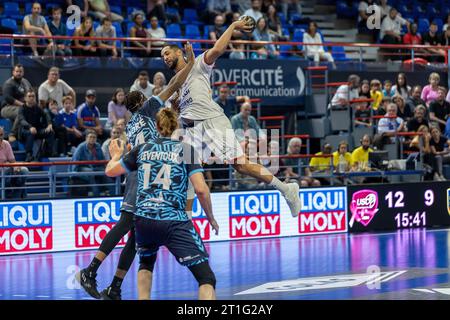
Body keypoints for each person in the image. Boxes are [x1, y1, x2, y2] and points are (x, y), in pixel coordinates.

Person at [76, 43, 196, 300]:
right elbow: (174, 84)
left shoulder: (134, 124)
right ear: (143, 101)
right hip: (141, 171)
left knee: (136, 237)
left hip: (144, 169)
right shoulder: (148, 108)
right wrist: (191, 64)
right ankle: (90, 271)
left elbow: (171, 115)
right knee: (125, 224)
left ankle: (115, 288)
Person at [161, 19, 302, 218]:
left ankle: (287, 190)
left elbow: (218, 48)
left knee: (241, 165)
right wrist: (176, 108)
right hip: (192, 130)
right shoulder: (176, 83)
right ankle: (186, 221)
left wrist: (234, 25)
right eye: (161, 56)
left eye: (167, 53)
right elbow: (175, 112)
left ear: (179, 52)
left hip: (212, 122)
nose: (164, 57)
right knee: (188, 172)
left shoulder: (199, 64)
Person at [105, 107, 219, 300]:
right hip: (172, 219)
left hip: (143, 219)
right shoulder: (186, 150)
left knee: (146, 262)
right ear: (177, 126)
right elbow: (201, 189)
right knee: (206, 278)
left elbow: (111, 172)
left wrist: (115, 155)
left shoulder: (142, 149)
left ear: (156, 127)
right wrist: (211, 217)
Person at [13, 89, 55, 161]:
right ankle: (29, 155)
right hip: (24, 131)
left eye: (33, 96)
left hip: (37, 130)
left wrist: (49, 124)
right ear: (25, 98)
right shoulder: (22, 108)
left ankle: (47, 153)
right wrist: (30, 127)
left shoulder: (37, 107)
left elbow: (46, 114)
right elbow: (22, 120)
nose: (31, 98)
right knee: (31, 133)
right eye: (29, 96)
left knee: (50, 132)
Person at [70, 130, 111, 196]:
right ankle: (96, 194)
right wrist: (73, 175)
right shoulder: (81, 147)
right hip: (81, 167)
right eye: (90, 137)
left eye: (94, 137)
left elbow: (102, 159)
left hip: (95, 167)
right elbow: (75, 160)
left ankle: (110, 192)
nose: (92, 139)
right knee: (90, 172)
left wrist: (106, 169)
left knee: (106, 172)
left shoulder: (97, 146)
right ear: (86, 138)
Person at [0, 126, 29, 199]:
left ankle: (17, 196)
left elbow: (12, 161)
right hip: (3, 170)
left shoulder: (6, 144)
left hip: (8, 169)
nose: (1, 137)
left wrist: (16, 167)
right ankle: (7, 196)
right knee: (7, 171)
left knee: (24, 170)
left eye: (1, 135)